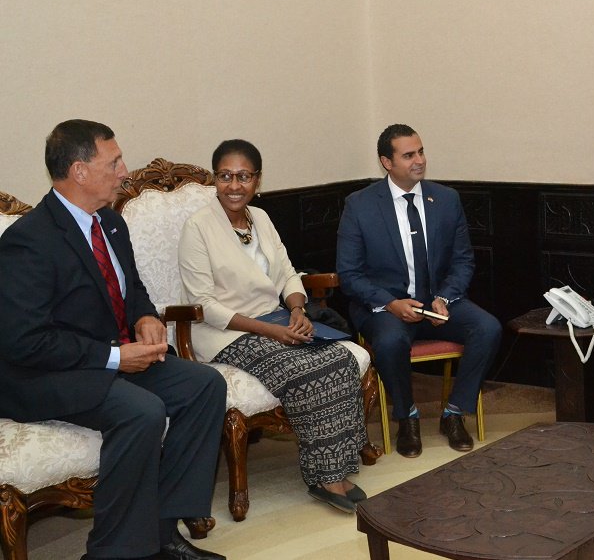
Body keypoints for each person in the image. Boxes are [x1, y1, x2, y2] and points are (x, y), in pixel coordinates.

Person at [0, 120, 226, 560]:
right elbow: (24, 340)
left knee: (204, 385)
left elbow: (131, 287)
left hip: (111, 359)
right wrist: (114, 357)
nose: (125, 171)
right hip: (46, 374)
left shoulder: (110, 222)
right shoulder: (28, 241)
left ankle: (163, 533)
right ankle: (112, 552)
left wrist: (144, 316)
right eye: (114, 162)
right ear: (80, 171)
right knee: (141, 411)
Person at [178, 139, 369, 514]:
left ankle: (340, 467)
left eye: (244, 176)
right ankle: (324, 477)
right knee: (308, 370)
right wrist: (273, 331)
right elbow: (205, 305)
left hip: (275, 319)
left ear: (257, 179)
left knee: (340, 358)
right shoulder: (198, 227)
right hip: (226, 334)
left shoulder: (261, 219)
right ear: (215, 179)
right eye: (225, 176)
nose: (235, 185)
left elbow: (287, 273)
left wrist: (297, 309)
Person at [336, 123, 501, 458]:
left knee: (488, 328)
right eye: (409, 155)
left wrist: (444, 297)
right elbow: (349, 274)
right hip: (386, 308)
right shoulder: (360, 205)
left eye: (421, 152)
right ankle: (407, 417)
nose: (419, 160)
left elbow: (463, 260)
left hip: (437, 302)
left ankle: (454, 413)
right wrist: (391, 303)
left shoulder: (446, 199)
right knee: (390, 341)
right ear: (387, 162)